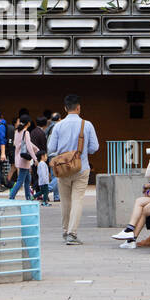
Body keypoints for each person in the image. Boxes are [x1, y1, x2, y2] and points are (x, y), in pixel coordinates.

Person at [47, 94, 99, 245]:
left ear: (65, 108)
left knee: (65, 201)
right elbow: (94, 148)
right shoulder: (87, 125)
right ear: (79, 107)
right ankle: (72, 233)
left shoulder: (58, 126)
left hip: (63, 169)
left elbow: (51, 148)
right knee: (77, 200)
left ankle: (65, 230)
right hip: (81, 168)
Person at [9, 114, 37, 200]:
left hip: (18, 157)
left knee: (27, 179)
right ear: (28, 123)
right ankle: (11, 196)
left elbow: (16, 144)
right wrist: (35, 158)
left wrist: (36, 148)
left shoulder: (17, 131)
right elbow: (28, 146)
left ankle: (28, 197)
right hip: (24, 159)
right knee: (20, 181)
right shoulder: (26, 132)